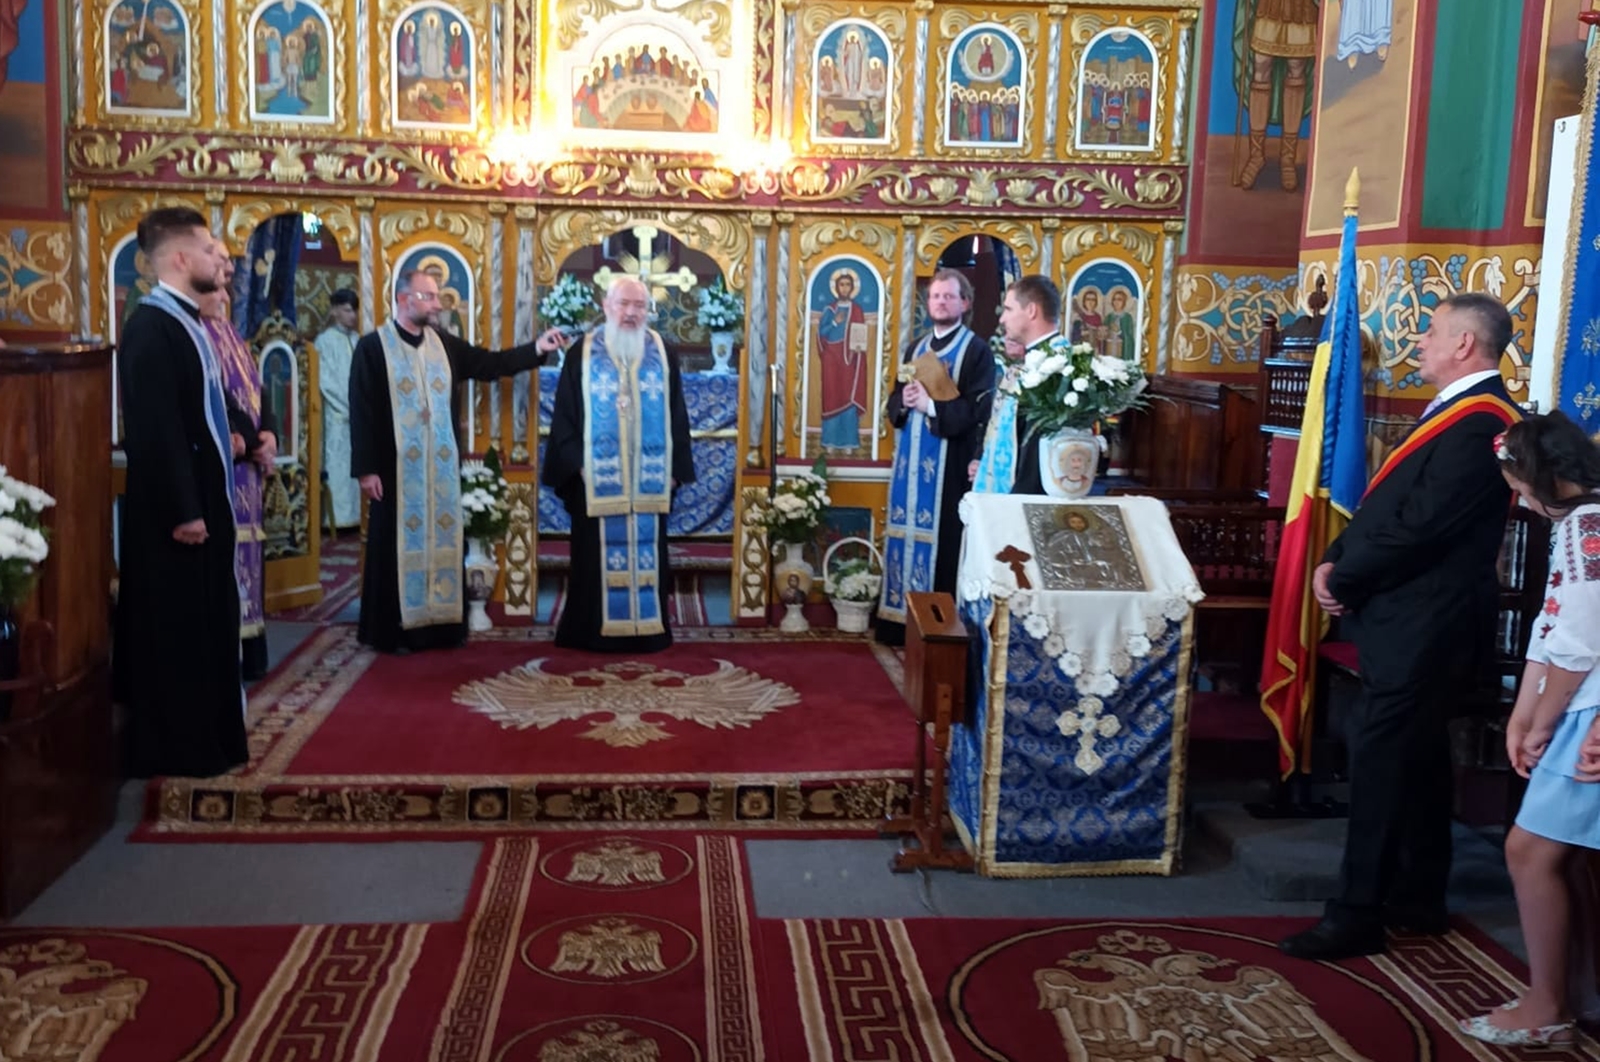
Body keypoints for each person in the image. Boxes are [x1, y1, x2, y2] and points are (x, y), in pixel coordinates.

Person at [1279, 293, 1524, 961]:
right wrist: (1336, 556)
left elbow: (1421, 527)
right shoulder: (1454, 410)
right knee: (1416, 758)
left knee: (1383, 764)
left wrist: (1345, 577)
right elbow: (1388, 504)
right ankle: (1418, 895)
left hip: (1429, 623)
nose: (1419, 339)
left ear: (1465, 344)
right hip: (1407, 616)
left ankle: (1357, 912)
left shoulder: (1484, 422)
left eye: (1432, 330)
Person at [1453, 412, 1600, 1047]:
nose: (1519, 500)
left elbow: (1580, 642)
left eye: (1518, 485)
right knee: (1557, 857)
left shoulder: (1589, 526)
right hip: (1575, 707)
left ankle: (1548, 1005)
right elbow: (1551, 622)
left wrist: (1539, 723)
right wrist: (1523, 715)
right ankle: (1565, 994)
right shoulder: (1577, 524)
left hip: (1587, 711)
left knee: (1530, 851)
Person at [348, 269, 565, 654]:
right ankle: (392, 631)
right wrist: (366, 469)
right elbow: (361, 409)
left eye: (437, 297)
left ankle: (441, 628)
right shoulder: (373, 347)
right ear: (404, 299)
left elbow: (490, 364)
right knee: (391, 547)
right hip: (394, 471)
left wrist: (537, 348)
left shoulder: (444, 345)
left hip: (441, 471)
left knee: (443, 543)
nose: (436, 304)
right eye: (429, 297)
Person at [114, 207, 249, 778]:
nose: (219, 259)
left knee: (206, 626)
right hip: (176, 519)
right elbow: (156, 428)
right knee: (178, 633)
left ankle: (212, 740)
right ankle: (181, 748)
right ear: (179, 258)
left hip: (202, 504)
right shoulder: (152, 328)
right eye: (209, 249)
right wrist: (185, 510)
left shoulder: (188, 322)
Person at [542, 276, 694, 653]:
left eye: (639, 306)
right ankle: (591, 632)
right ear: (606, 306)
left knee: (649, 552)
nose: (631, 313)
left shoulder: (663, 352)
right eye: (623, 304)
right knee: (592, 558)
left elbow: (677, 413)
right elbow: (565, 414)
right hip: (595, 478)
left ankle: (648, 631)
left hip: (649, 478)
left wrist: (675, 470)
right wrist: (578, 464)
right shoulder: (582, 352)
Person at [876, 269, 994, 646]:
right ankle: (897, 623)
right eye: (935, 296)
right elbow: (894, 400)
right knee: (903, 535)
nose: (940, 302)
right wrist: (905, 401)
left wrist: (931, 407)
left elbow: (980, 413)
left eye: (948, 296)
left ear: (965, 302)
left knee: (943, 543)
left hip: (950, 466)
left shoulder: (976, 351)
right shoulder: (915, 348)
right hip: (909, 466)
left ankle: (936, 628)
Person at [199, 239, 278, 681]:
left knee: (249, 557)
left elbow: (256, 390)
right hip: (224, 467)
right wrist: (251, 441)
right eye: (218, 289)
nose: (225, 298)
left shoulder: (230, 334)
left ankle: (252, 650)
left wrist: (270, 433)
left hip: (247, 469)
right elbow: (216, 401)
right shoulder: (195, 335)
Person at [971, 275, 1060, 495]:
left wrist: (1014, 504)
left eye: (1009, 309)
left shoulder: (1057, 367)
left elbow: (1036, 455)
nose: (1002, 319)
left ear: (1031, 311)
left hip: (1028, 500)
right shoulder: (1030, 364)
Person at [315, 288, 361, 529]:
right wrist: (349, 404)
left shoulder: (358, 340)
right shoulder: (325, 341)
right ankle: (337, 519)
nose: (353, 315)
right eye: (347, 310)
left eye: (354, 310)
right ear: (334, 311)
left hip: (358, 416)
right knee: (338, 468)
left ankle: (357, 516)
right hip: (337, 415)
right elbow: (325, 380)